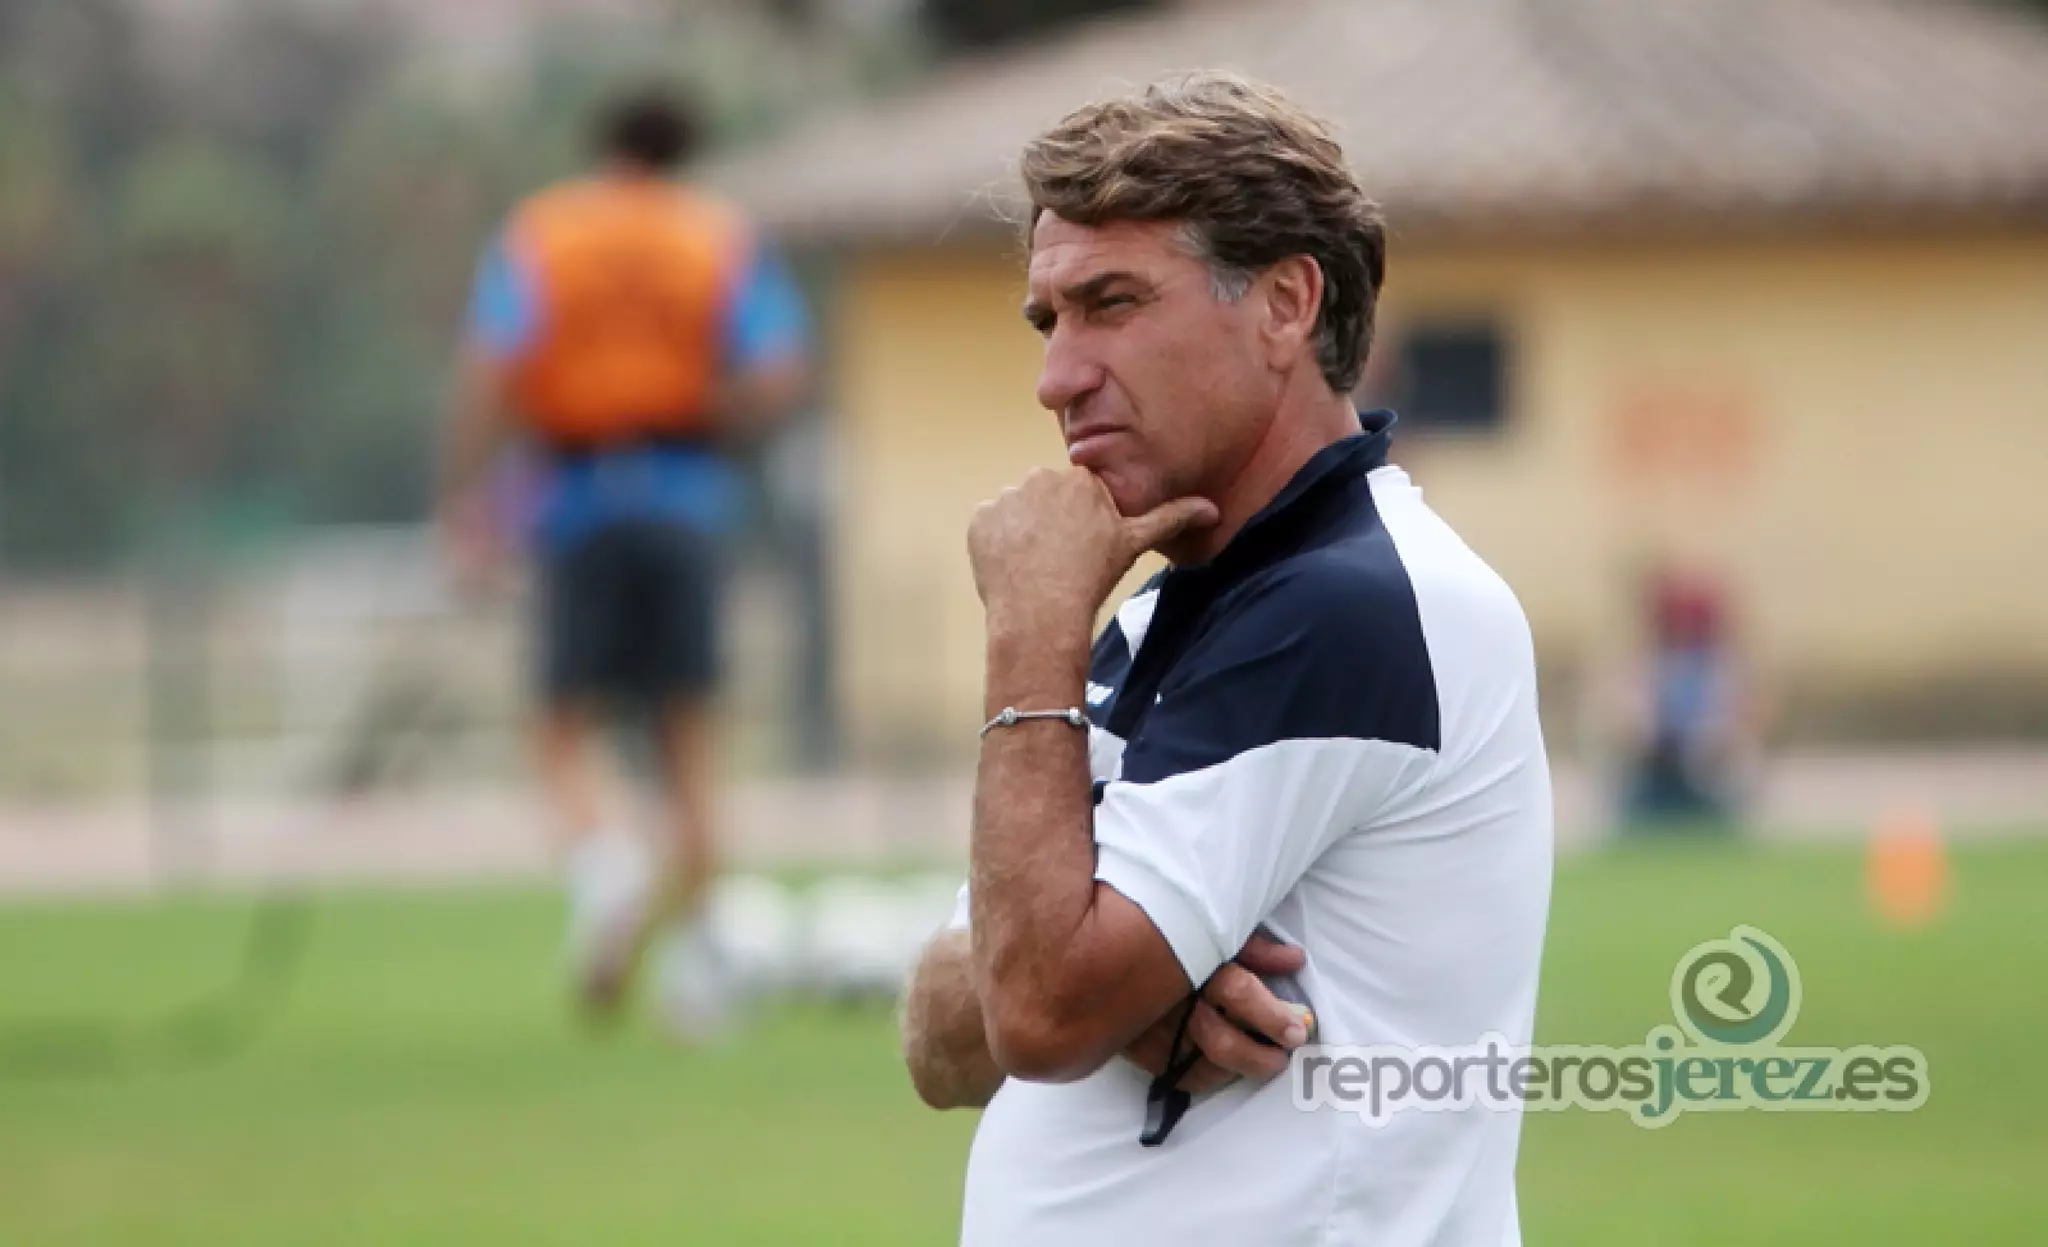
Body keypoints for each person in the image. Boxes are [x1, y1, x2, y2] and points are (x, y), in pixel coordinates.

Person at [899, 73, 1553, 1245]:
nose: (1057, 377)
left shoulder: (1348, 605)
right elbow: (941, 1036)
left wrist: (1029, 631)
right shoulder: (1164, 613)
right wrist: (1125, 994)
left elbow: (1033, 1012)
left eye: (1111, 303)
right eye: (1049, 322)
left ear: (1284, 304)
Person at [437, 86, 809, 1029]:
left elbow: (488, 368)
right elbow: (778, 369)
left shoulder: (544, 233)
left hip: (577, 500)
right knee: (690, 745)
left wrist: (468, 504)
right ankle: (697, 977)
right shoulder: (718, 236)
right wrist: (700, 417)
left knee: (562, 726)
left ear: (603, 147)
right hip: (686, 498)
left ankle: (607, 864)